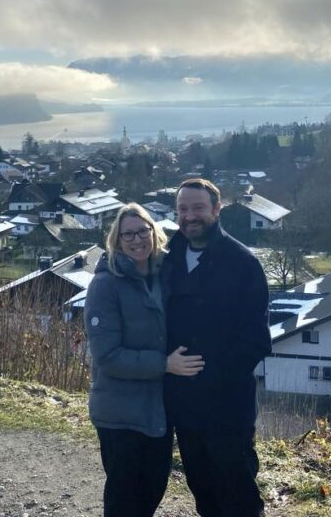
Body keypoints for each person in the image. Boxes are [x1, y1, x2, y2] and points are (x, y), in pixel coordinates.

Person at [85, 203, 205, 517]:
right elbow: (107, 356)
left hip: (157, 410)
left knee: (152, 491)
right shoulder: (105, 285)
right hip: (120, 412)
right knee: (124, 499)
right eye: (128, 234)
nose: (137, 239)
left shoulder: (163, 274)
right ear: (116, 240)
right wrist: (164, 364)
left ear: (154, 232)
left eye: (142, 230)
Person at [163, 178, 272, 517]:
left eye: (198, 208)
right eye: (183, 209)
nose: (189, 216)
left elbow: (256, 340)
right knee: (203, 490)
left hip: (228, 406)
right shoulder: (167, 259)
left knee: (237, 493)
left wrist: (212, 378)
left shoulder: (243, 264)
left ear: (216, 209)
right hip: (184, 407)